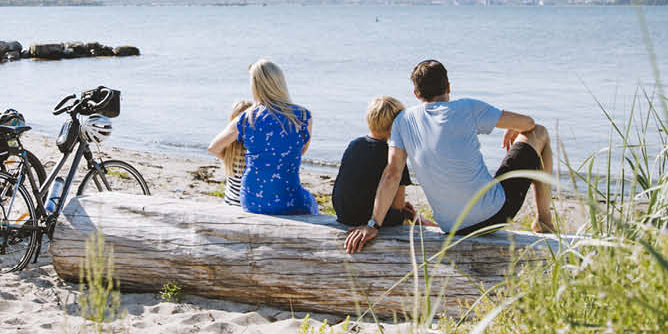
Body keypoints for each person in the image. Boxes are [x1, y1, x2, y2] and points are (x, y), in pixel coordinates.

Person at [344, 59, 554, 253]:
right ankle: (544, 221)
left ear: (416, 94)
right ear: (449, 87)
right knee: (541, 132)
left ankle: (542, 221)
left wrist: (373, 224)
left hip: (451, 226)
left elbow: (392, 174)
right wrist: (516, 128)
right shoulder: (468, 107)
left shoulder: (403, 121)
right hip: (494, 215)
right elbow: (530, 124)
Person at [208, 59, 318, 215]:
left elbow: (214, 147)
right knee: (310, 202)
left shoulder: (248, 117)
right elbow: (300, 152)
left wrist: (234, 159)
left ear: (255, 86)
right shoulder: (303, 116)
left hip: (251, 199)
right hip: (288, 196)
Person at [331, 96, 429, 227]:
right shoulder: (393, 156)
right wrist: (402, 214)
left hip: (344, 214)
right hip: (368, 219)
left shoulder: (354, 144)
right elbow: (397, 206)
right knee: (403, 216)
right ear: (393, 127)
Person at [218, 99, 252, 207]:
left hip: (229, 203)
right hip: (248, 205)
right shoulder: (254, 150)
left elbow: (214, 148)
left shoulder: (229, 150)